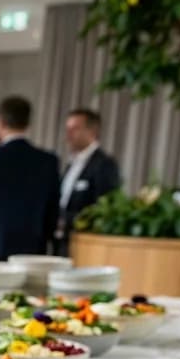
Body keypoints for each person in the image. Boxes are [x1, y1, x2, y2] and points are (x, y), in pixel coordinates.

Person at [0, 95, 60, 260]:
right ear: (28, 124)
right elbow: (52, 213)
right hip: (32, 249)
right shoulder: (48, 161)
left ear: (0, 122)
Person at [55, 107, 121, 256]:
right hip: (63, 241)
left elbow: (103, 208)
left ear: (93, 132)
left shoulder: (104, 165)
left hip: (84, 243)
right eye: (68, 128)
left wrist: (66, 220)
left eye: (75, 129)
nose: (69, 134)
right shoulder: (71, 164)